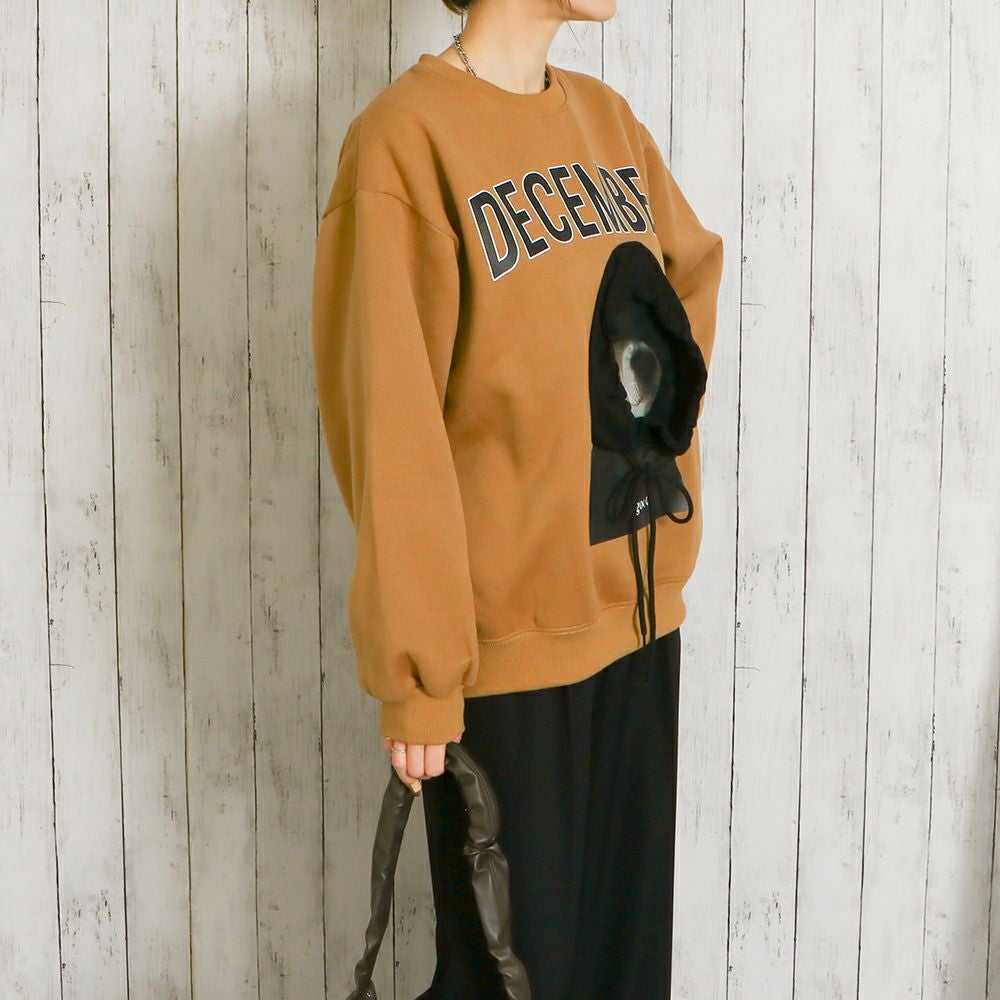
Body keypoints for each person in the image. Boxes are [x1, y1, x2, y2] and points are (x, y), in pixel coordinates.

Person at [311, 1, 724, 996]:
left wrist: (636, 447)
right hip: (505, 666)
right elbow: (394, 421)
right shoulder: (405, 142)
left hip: (634, 627)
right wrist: (420, 673)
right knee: (513, 981)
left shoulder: (607, 122)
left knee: (626, 977)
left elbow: (683, 291)